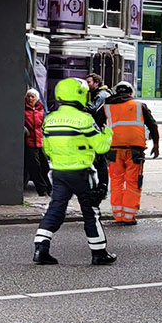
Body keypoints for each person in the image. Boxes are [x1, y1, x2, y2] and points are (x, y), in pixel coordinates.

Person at [33, 77, 116, 265]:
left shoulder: (50, 119)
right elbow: (101, 147)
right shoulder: (84, 119)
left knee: (55, 209)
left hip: (59, 172)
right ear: (79, 95)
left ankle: (41, 249)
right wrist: (108, 132)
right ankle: (99, 252)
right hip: (82, 172)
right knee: (90, 211)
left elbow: (47, 149)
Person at [103, 81, 161, 225]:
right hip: (135, 151)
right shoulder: (139, 106)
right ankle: (128, 217)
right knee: (133, 183)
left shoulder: (107, 107)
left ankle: (118, 215)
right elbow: (152, 125)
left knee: (116, 182)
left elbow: (96, 125)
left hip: (114, 150)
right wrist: (156, 145)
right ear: (130, 92)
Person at [85, 74, 112, 198]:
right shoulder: (99, 94)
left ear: (96, 83)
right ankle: (99, 187)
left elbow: (92, 109)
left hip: (100, 133)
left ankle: (102, 188)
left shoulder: (101, 95)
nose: (87, 84)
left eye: (89, 82)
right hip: (99, 132)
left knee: (100, 162)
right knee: (97, 162)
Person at [24, 88, 51, 197]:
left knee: (44, 165)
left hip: (39, 140)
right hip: (29, 141)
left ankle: (48, 187)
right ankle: (42, 189)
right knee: (35, 166)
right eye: (28, 96)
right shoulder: (24, 109)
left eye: (32, 96)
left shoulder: (40, 108)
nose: (30, 98)